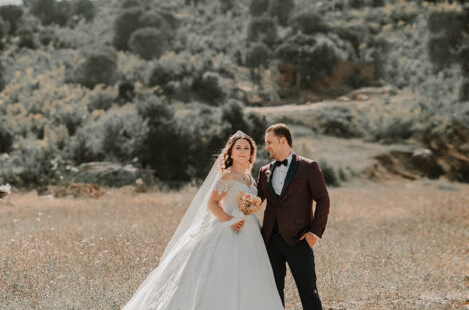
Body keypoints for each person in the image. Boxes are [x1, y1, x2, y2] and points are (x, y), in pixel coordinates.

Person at [123, 131, 283, 310]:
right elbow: (212, 203)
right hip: (227, 228)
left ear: (251, 153)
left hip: (250, 230)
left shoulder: (249, 177)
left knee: (250, 274)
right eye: (238, 147)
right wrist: (229, 220)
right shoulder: (226, 176)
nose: (242, 151)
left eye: (246, 148)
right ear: (230, 152)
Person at [258, 123, 330, 310]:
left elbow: (323, 199)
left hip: (299, 239)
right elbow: (256, 200)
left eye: (269, 142)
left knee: (308, 292)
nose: (266, 147)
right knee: (273, 293)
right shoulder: (263, 171)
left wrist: (314, 233)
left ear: (283, 140)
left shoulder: (308, 167)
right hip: (271, 240)